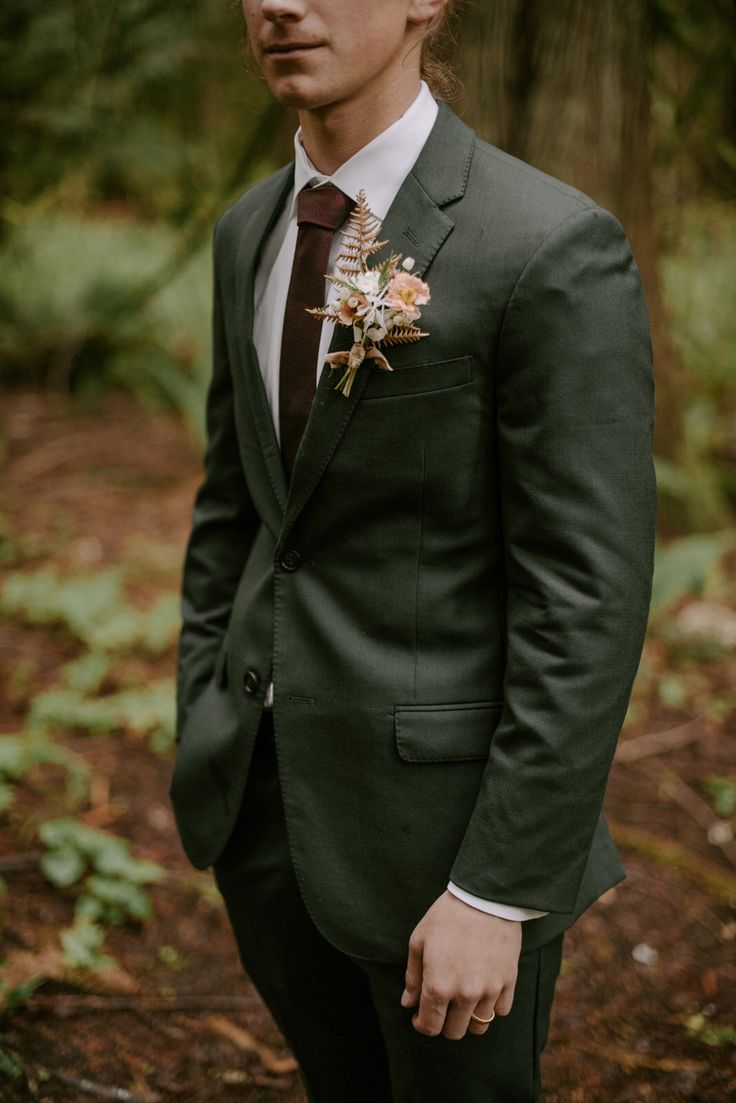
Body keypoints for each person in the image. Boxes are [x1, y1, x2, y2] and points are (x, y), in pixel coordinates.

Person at [168, 1, 657, 1100]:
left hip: (448, 851)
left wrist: (498, 887)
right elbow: (235, 512)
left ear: (425, 2)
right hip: (262, 814)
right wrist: (205, 709)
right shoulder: (249, 229)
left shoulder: (546, 241)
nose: (283, 5)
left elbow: (586, 592)